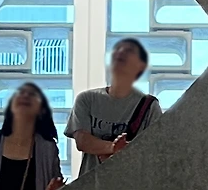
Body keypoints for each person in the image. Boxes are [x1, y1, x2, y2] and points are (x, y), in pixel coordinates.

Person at [67, 37, 162, 170]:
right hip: (92, 182)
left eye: (129, 50)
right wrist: (113, 148)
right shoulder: (86, 99)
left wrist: (111, 151)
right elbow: (82, 141)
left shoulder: (149, 107)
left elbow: (154, 150)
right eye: (117, 49)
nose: (120, 52)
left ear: (141, 65)